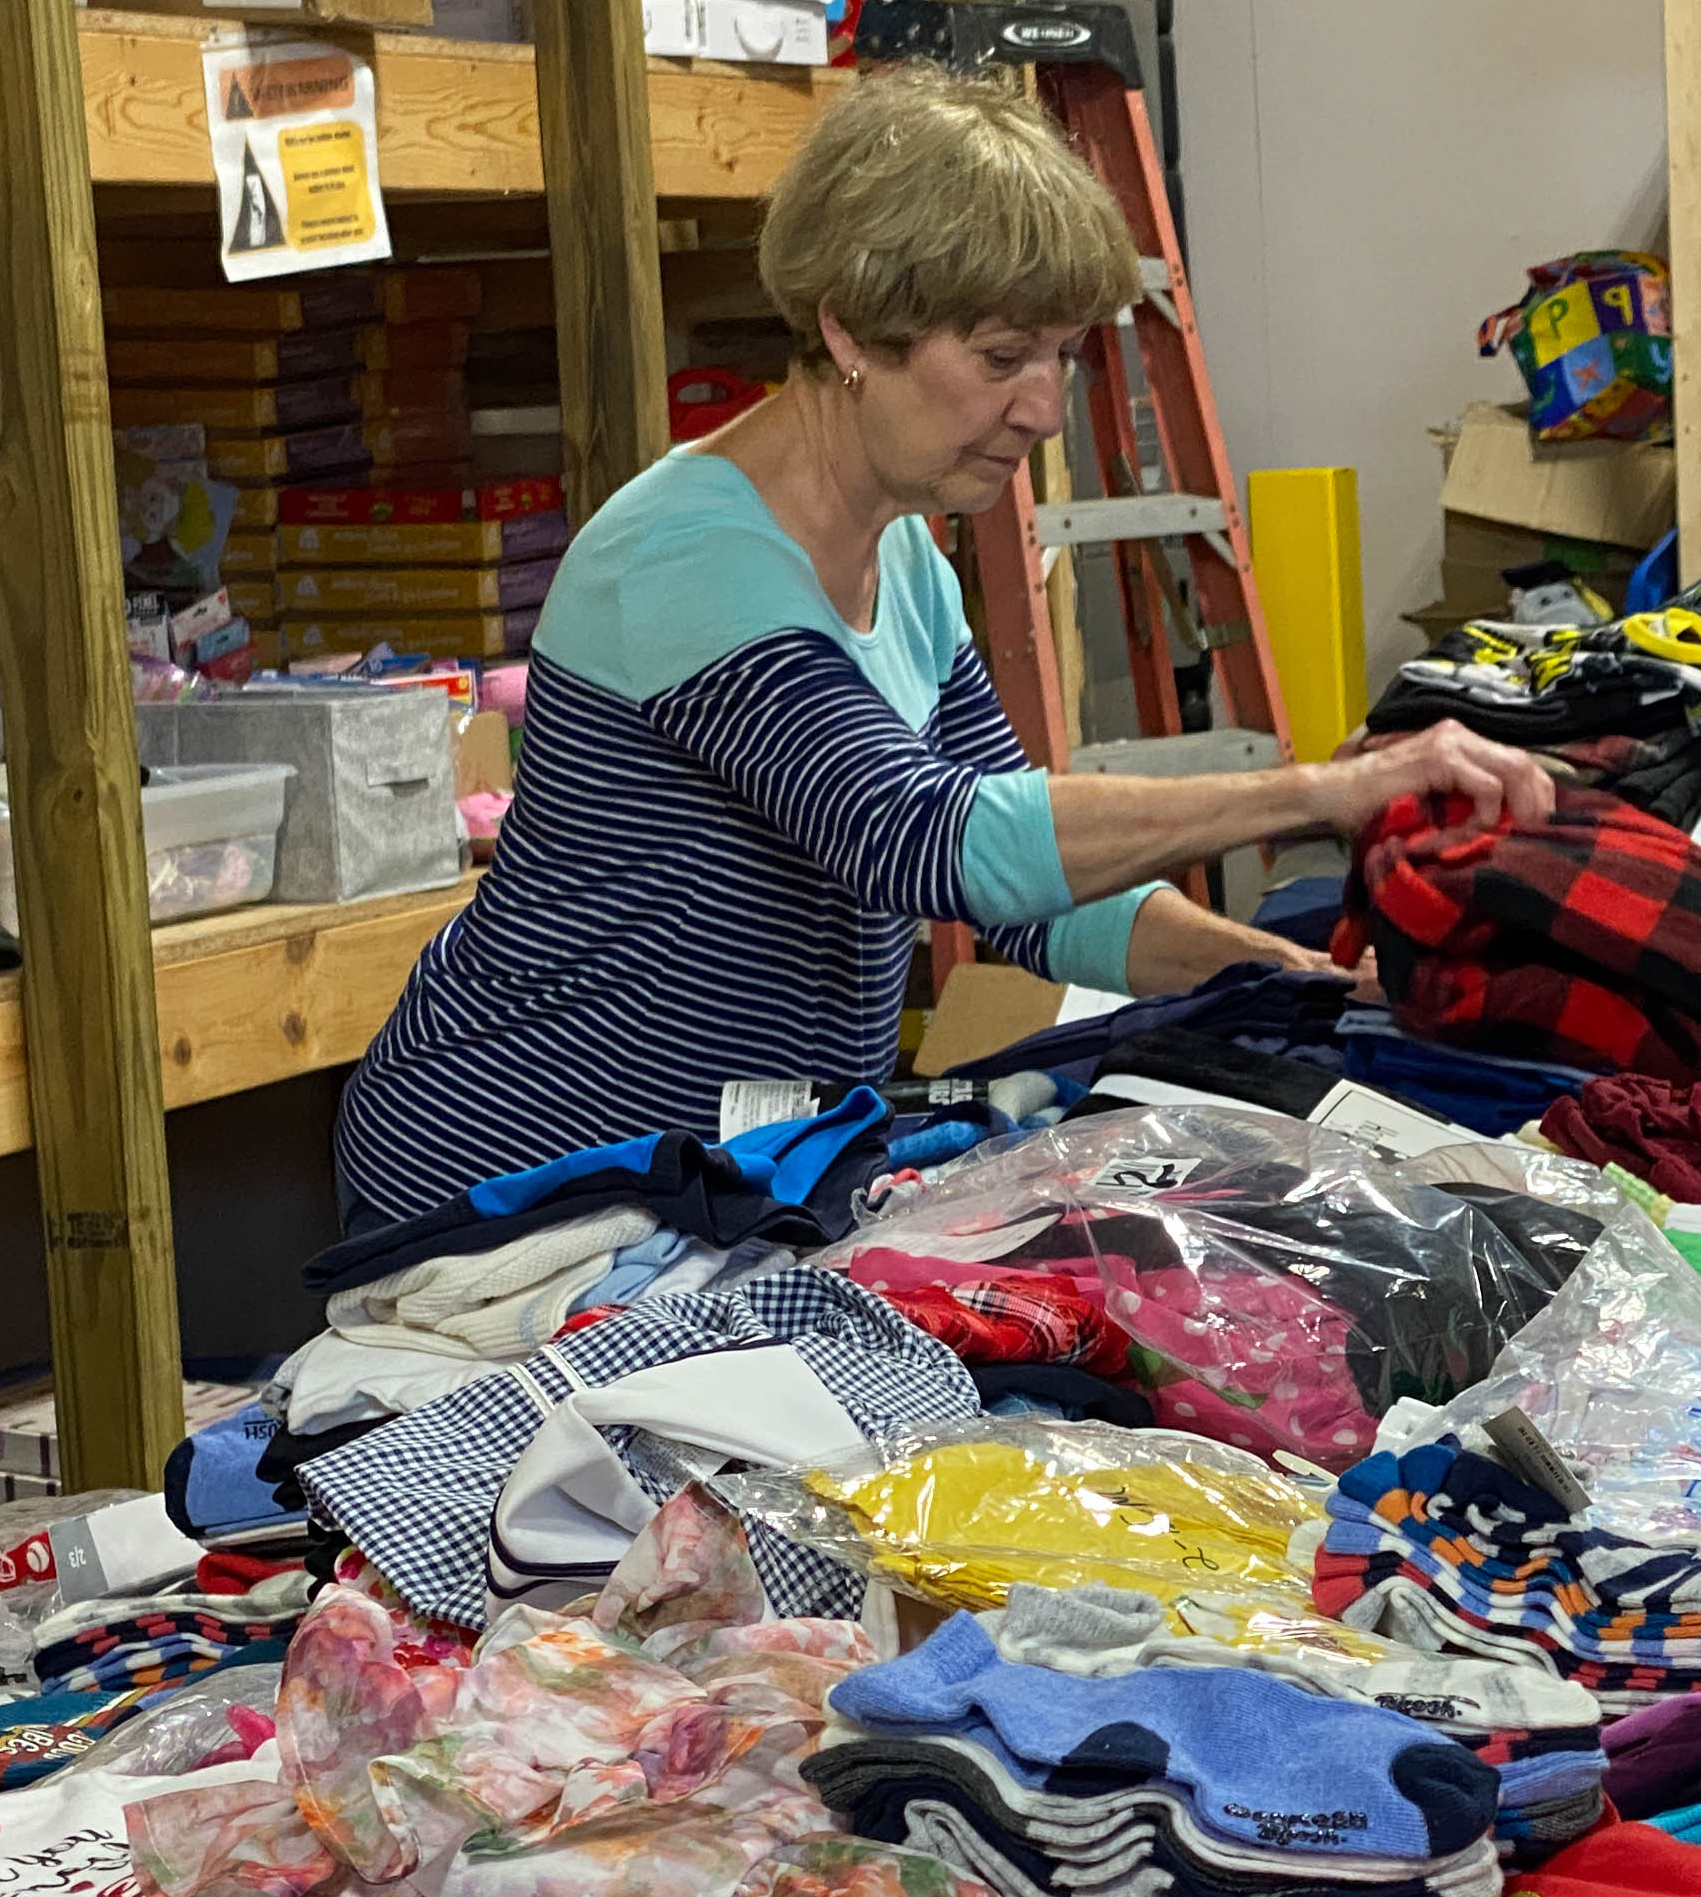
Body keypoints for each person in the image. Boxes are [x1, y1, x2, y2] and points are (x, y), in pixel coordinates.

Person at [334, 64, 1550, 1226]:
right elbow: (928, 841)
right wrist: (1323, 793)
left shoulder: (905, 553)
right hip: (515, 1179)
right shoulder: (691, 560)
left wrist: (1285, 985)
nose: (1041, 406)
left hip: (720, 1170)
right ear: (853, 331)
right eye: (1001, 355)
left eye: (1063, 355)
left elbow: (1034, 902)